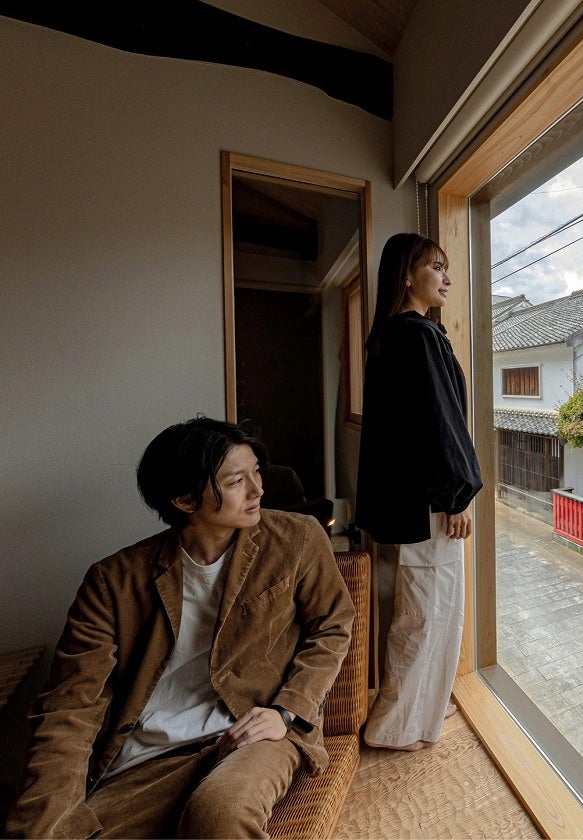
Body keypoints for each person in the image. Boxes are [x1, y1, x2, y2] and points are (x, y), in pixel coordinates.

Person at [7, 418, 354, 839]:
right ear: (185, 500)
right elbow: (69, 707)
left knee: (218, 816)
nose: (258, 489)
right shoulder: (112, 581)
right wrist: (45, 823)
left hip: (252, 731)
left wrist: (287, 709)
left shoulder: (296, 538)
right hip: (148, 756)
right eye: (236, 480)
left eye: (256, 472)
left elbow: (333, 625)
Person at [355, 233, 482, 751]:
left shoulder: (395, 335)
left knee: (423, 613)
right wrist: (457, 495)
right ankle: (395, 725)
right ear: (408, 275)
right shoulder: (417, 336)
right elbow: (439, 423)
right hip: (431, 504)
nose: (447, 278)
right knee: (430, 616)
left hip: (415, 500)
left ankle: (417, 712)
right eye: (437, 267)